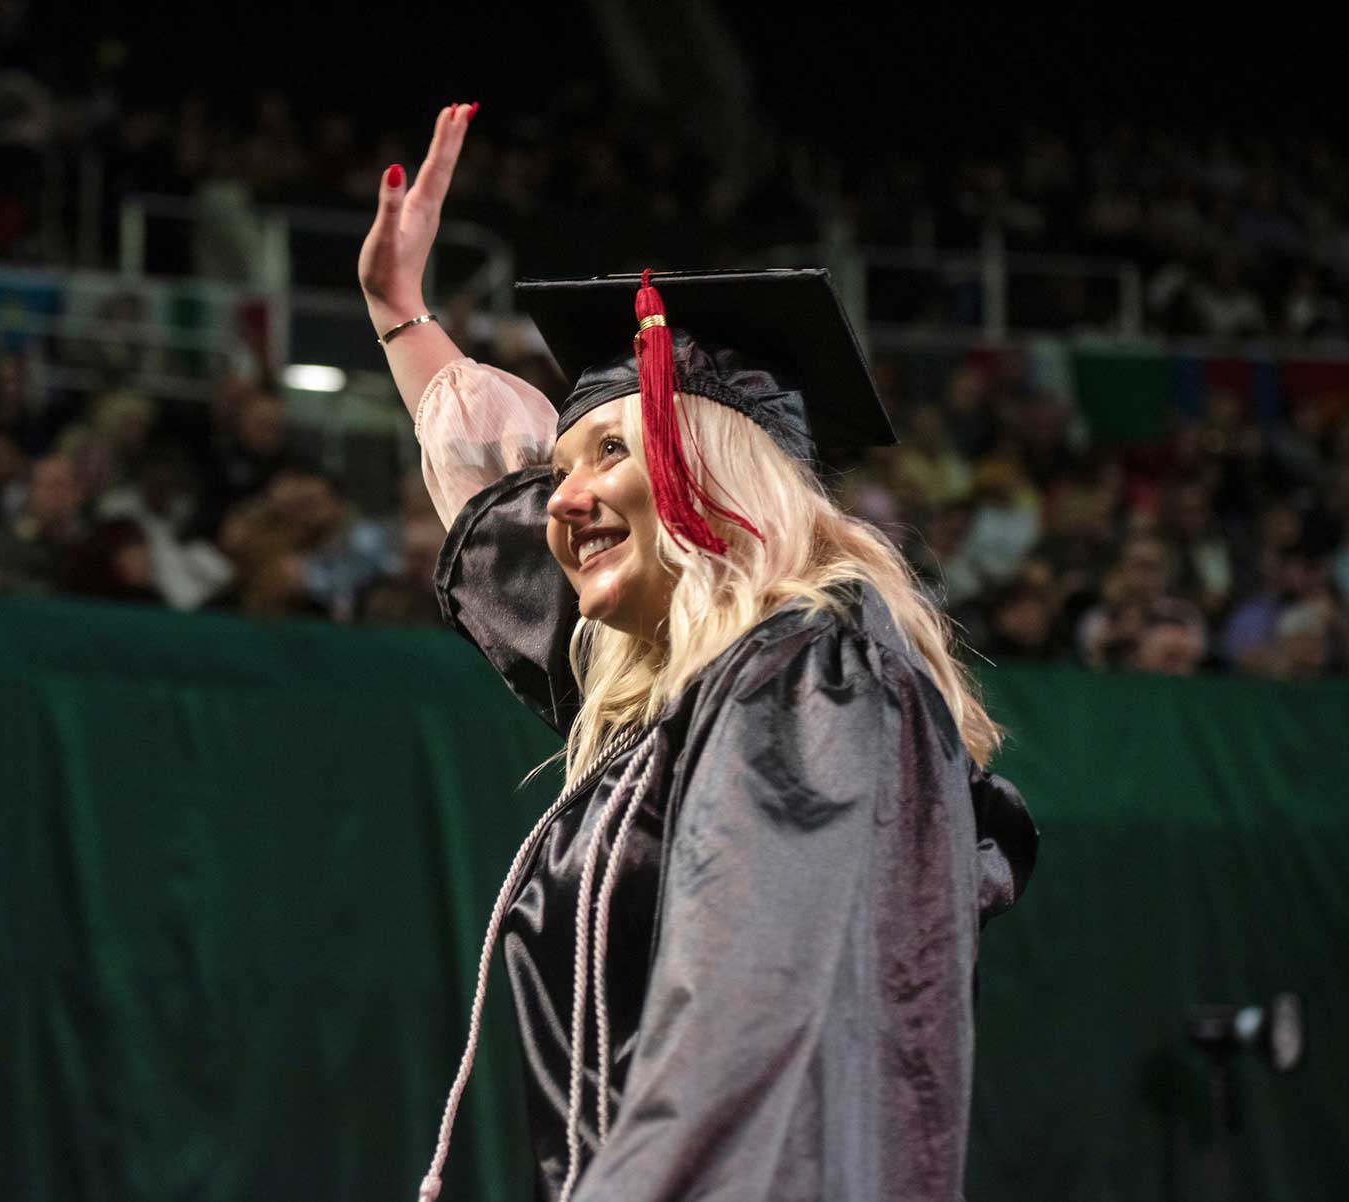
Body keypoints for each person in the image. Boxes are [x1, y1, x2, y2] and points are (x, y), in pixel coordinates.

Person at [360, 105, 1039, 1202]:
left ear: (713, 472)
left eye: (612, 449)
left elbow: (746, 1046)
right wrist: (404, 318)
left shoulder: (814, 685)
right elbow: (514, 535)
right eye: (562, 464)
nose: (562, 498)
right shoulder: (701, 702)